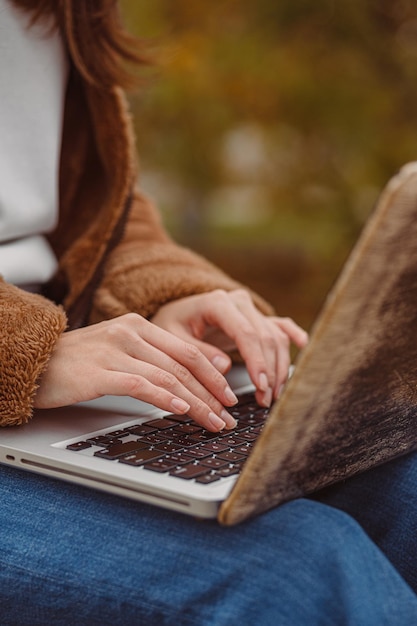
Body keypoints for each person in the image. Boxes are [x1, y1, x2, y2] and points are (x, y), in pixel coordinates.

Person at [0, 1, 416, 624]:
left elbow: (96, 208)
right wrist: (26, 349)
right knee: (297, 571)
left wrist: (169, 291)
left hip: (70, 383)